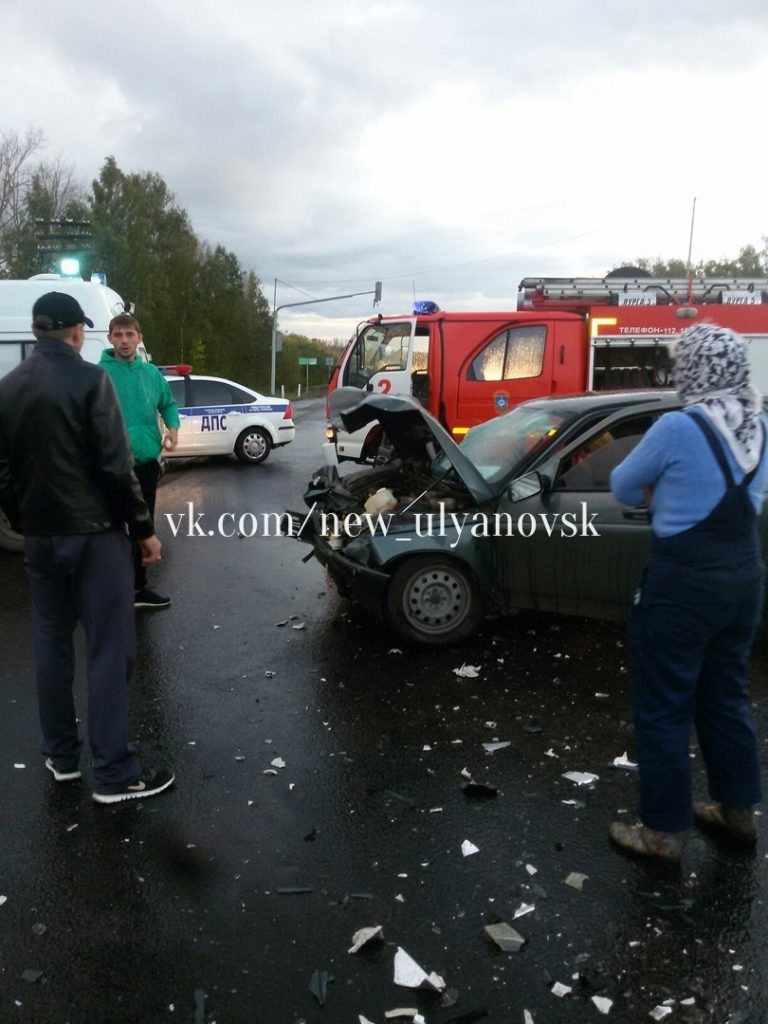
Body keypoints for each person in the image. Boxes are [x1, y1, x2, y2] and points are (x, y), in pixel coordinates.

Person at [0, 292, 175, 804]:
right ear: (78, 331)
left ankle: (62, 758)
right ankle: (115, 774)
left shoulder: (7, 387)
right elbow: (116, 468)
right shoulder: (90, 380)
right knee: (107, 648)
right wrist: (142, 530)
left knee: (51, 644)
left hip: (40, 539)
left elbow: (3, 472)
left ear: (36, 331)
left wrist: (24, 517)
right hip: (95, 537)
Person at [608, 323, 768, 861]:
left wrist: (664, 492)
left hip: (681, 585)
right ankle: (738, 813)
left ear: (693, 368)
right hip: (744, 578)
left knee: (664, 707)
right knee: (725, 698)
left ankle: (663, 832)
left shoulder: (678, 427)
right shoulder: (759, 424)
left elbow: (623, 485)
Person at [100, 313, 180, 609]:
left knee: (142, 526)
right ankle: (112, 590)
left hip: (146, 464)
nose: (124, 341)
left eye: (129, 335)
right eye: (118, 335)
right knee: (112, 528)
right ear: (110, 338)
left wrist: (172, 429)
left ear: (139, 337)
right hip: (112, 466)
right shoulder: (100, 374)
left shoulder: (151, 375)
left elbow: (168, 404)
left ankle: (138, 589)